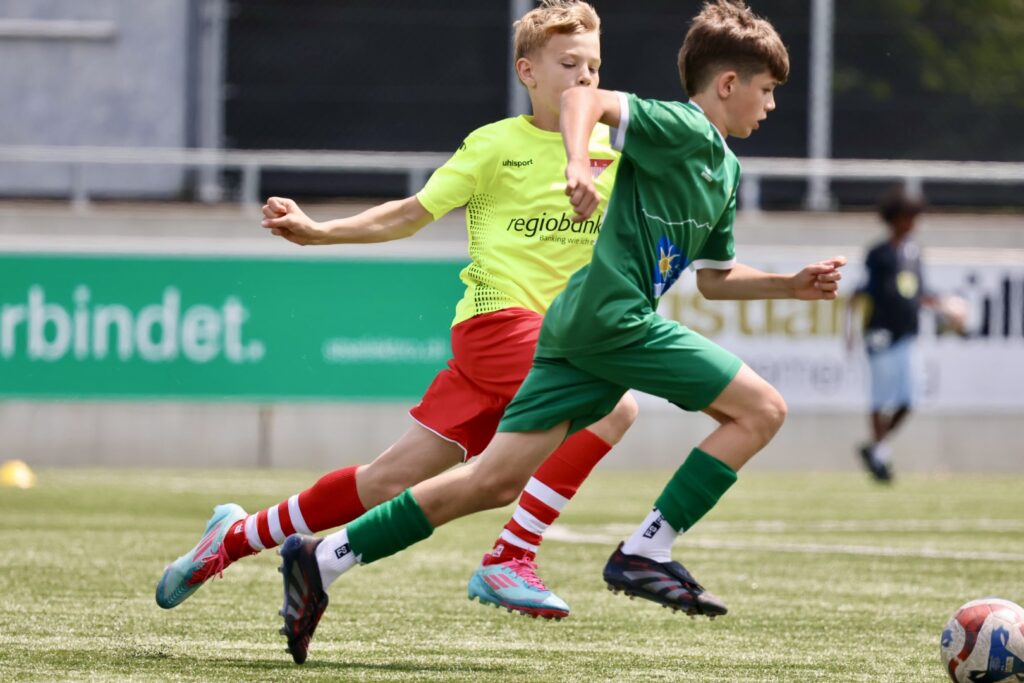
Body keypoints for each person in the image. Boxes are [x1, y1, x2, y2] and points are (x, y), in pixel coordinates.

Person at [275, 0, 847, 665]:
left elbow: (715, 279)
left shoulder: (725, 169)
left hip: (578, 328)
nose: (771, 105)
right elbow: (586, 100)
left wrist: (789, 284)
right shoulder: (683, 126)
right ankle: (647, 549)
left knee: (491, 482)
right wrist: (577, 161)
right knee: (761, 409)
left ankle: (323, 557)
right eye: (767, 89)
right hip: (613, 318)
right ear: (727, 83)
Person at [155, 0, 639, 624]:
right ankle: (513, 555)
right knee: (614, 401)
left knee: (386, 482)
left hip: (550, 342)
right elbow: (410, 213)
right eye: (569, 63)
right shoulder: (496, 145)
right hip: (498, 325)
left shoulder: (614, 150)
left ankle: (232, 538)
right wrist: (319, 232)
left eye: (594, 65)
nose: (585, 77)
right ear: (527, 71)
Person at [847, 187, 934, 483]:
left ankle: (875, 448)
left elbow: (919, 292)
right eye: (906, 217)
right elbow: (863, 290)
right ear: (893, 219)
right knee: (880, 396)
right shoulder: (878, 253)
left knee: (910, 398)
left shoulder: (915, 252)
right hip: (880, 333)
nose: (911, 224)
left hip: (907, 333)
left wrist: (946, 306)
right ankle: (880, 456)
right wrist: (849, 332)